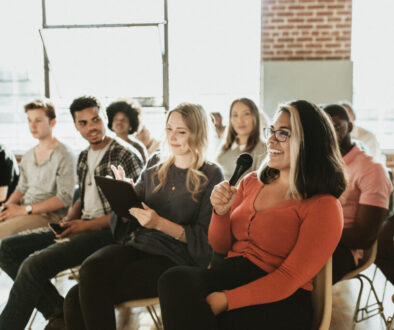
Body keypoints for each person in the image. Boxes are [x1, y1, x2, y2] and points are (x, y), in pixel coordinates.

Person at [158, 100, 347, 330]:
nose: (271, 140)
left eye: (283, 133)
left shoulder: (324, 206)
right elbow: (220, 246)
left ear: (310, 142)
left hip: (279, 298)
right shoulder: (252, 182)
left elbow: (289, 278)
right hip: (229, 274)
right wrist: (220, 213)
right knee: (174, 280)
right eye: (272, 131)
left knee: (216, 318)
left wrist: (226, 300)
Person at [63, 103, 224, 330]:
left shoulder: (212, 173)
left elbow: (205, 239)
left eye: (181, 131)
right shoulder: (156, 162)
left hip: (173, 258)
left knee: (77, 297)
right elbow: (131, 212)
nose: (172, 137)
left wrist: (160, 223)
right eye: (169, 129)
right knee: (89, 270)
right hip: (139, 245)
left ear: (197, 133)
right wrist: (124, 193)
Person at [0, 96, 142, 330]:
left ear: (103, 118)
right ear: (76, 126)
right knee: (6, 249)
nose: (91, 127)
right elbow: (81, 198)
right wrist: (69, 219)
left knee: (33, 265)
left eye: (95, 119)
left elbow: (133, 213)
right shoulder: (85, 155)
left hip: (111, 234)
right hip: (80, 226)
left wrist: (82, 226)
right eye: (83, 123)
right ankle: (58, 310)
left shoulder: (124, 154)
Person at [323, 104, 392, 283]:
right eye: (324, 128)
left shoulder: (371, 169)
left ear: (350, 127)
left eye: (336, 126)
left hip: (345, 249)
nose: (330, 133)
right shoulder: (321, 165)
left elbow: (364, 237)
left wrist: (317, 234)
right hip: (317, 238)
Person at [0, 99, 75, 239]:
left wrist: (25, 210)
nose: (32, 126)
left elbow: (64, 198)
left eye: (38, 121)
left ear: (53, 122)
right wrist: (5, 209)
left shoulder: (65, 154)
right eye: (29, 120)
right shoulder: (28, 155)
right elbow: (21, 188)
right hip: (23, 211)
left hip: (49, 216)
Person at [216, 98, 267, 184]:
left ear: (255, 117)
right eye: (235, 115)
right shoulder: (223, 150)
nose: (240, 120)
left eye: (246, 114)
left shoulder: (263, 150)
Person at [106, 99, 148, 164]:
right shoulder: (106, 146)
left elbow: (145, 171)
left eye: (123, 120)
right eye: (116, 119)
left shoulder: (138, 147)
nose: (119, 122)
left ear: (131, 124)